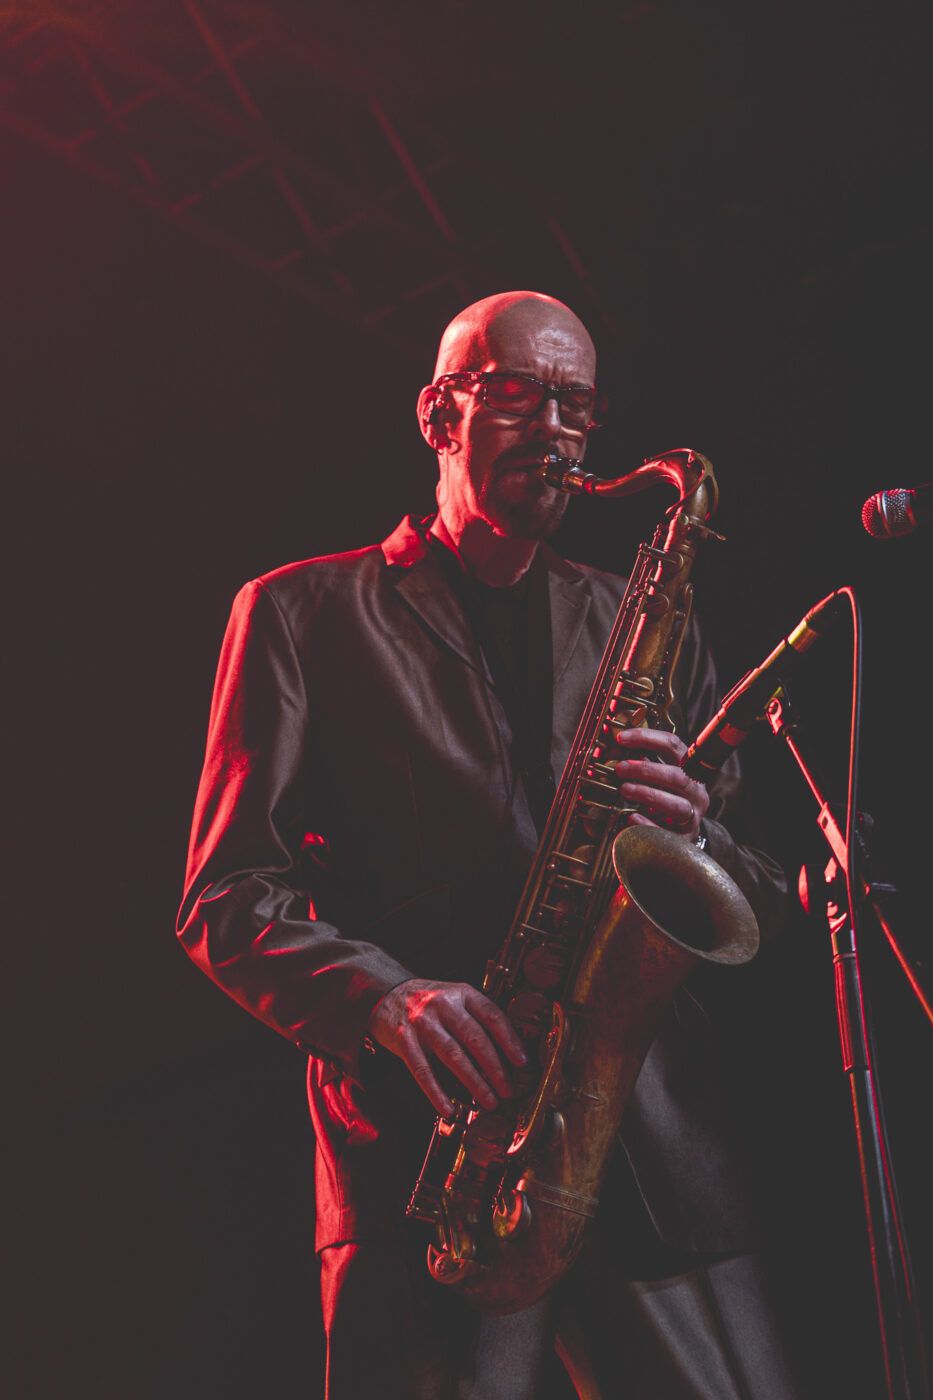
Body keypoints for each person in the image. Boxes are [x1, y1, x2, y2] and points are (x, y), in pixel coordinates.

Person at [178, 291, 802, 1398]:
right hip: (444, 1158)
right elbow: (226, 895)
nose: (555, 428)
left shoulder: (642, 617)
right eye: (518, 392)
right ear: (439, 413)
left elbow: (747, 887)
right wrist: (384, 996)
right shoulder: (299, 612)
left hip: (647, 1144)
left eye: (578, 404)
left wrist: (692, 830)